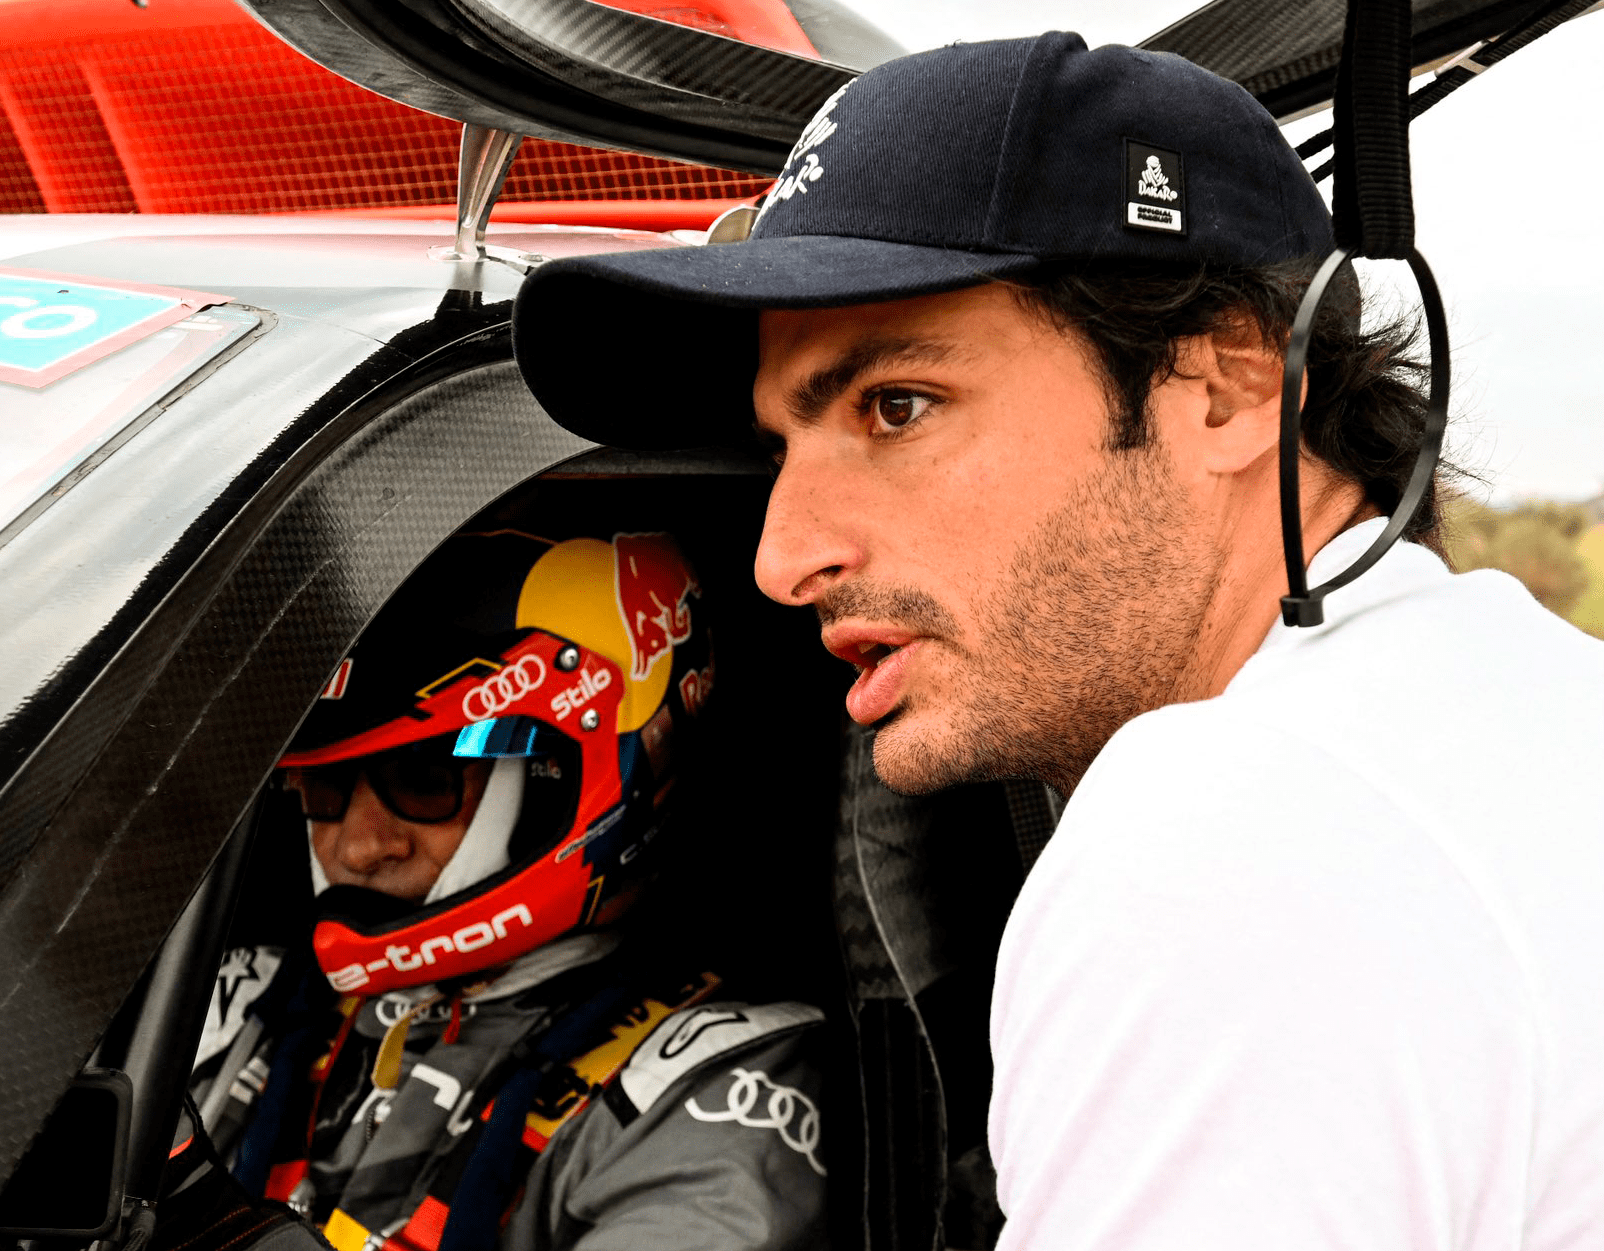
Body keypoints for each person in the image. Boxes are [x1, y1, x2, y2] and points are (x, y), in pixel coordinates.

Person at [509, 32, 1604, 1251]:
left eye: (896, 408)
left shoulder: (1236, 833)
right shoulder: (1508, 702)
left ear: (1229, 389)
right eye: (782, 450)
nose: (781, 559)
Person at [161, 528, 827, 1251]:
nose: (357, 844)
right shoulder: (218, 1006)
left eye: (421, 781)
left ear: (566, 781)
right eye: (324, 784)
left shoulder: (712, 1088)